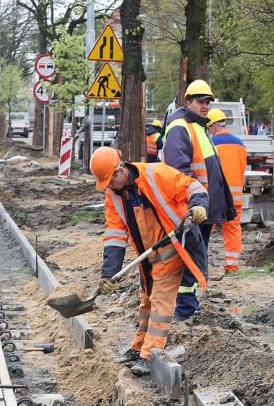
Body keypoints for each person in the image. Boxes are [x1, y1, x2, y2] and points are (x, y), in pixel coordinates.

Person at [90, 146, 209, 376]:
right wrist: (108, 273)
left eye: (109, 182)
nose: (109, 188)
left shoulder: (156, 174)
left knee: (160, 302)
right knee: (146, 300)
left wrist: (198, 207)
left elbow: (192, 187)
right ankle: (138, 347)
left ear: (119, 172)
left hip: (173, 246)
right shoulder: (114, 195)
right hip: (148, 257)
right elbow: (115, 234)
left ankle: (149, 355)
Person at [162, 79, 237, 320]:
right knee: (189, 258)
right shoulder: (180, 127)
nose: (205, 106)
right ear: (188, 102)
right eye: (200, 101)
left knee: (196, 257)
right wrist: (196, 202)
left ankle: (189, 305)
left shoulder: (199, 128)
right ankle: (185, 308)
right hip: (191, 207)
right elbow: (179, 172)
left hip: (202, 208)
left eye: (207, 102)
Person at [207, 109, 247, 275]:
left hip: (215, 196)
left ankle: (200, 265)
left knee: (204, 230)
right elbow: (242, 169)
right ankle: (232, 266)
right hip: (235, 198)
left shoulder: (210, 143)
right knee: (233, 230)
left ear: (213, 126)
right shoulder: (240, 144)